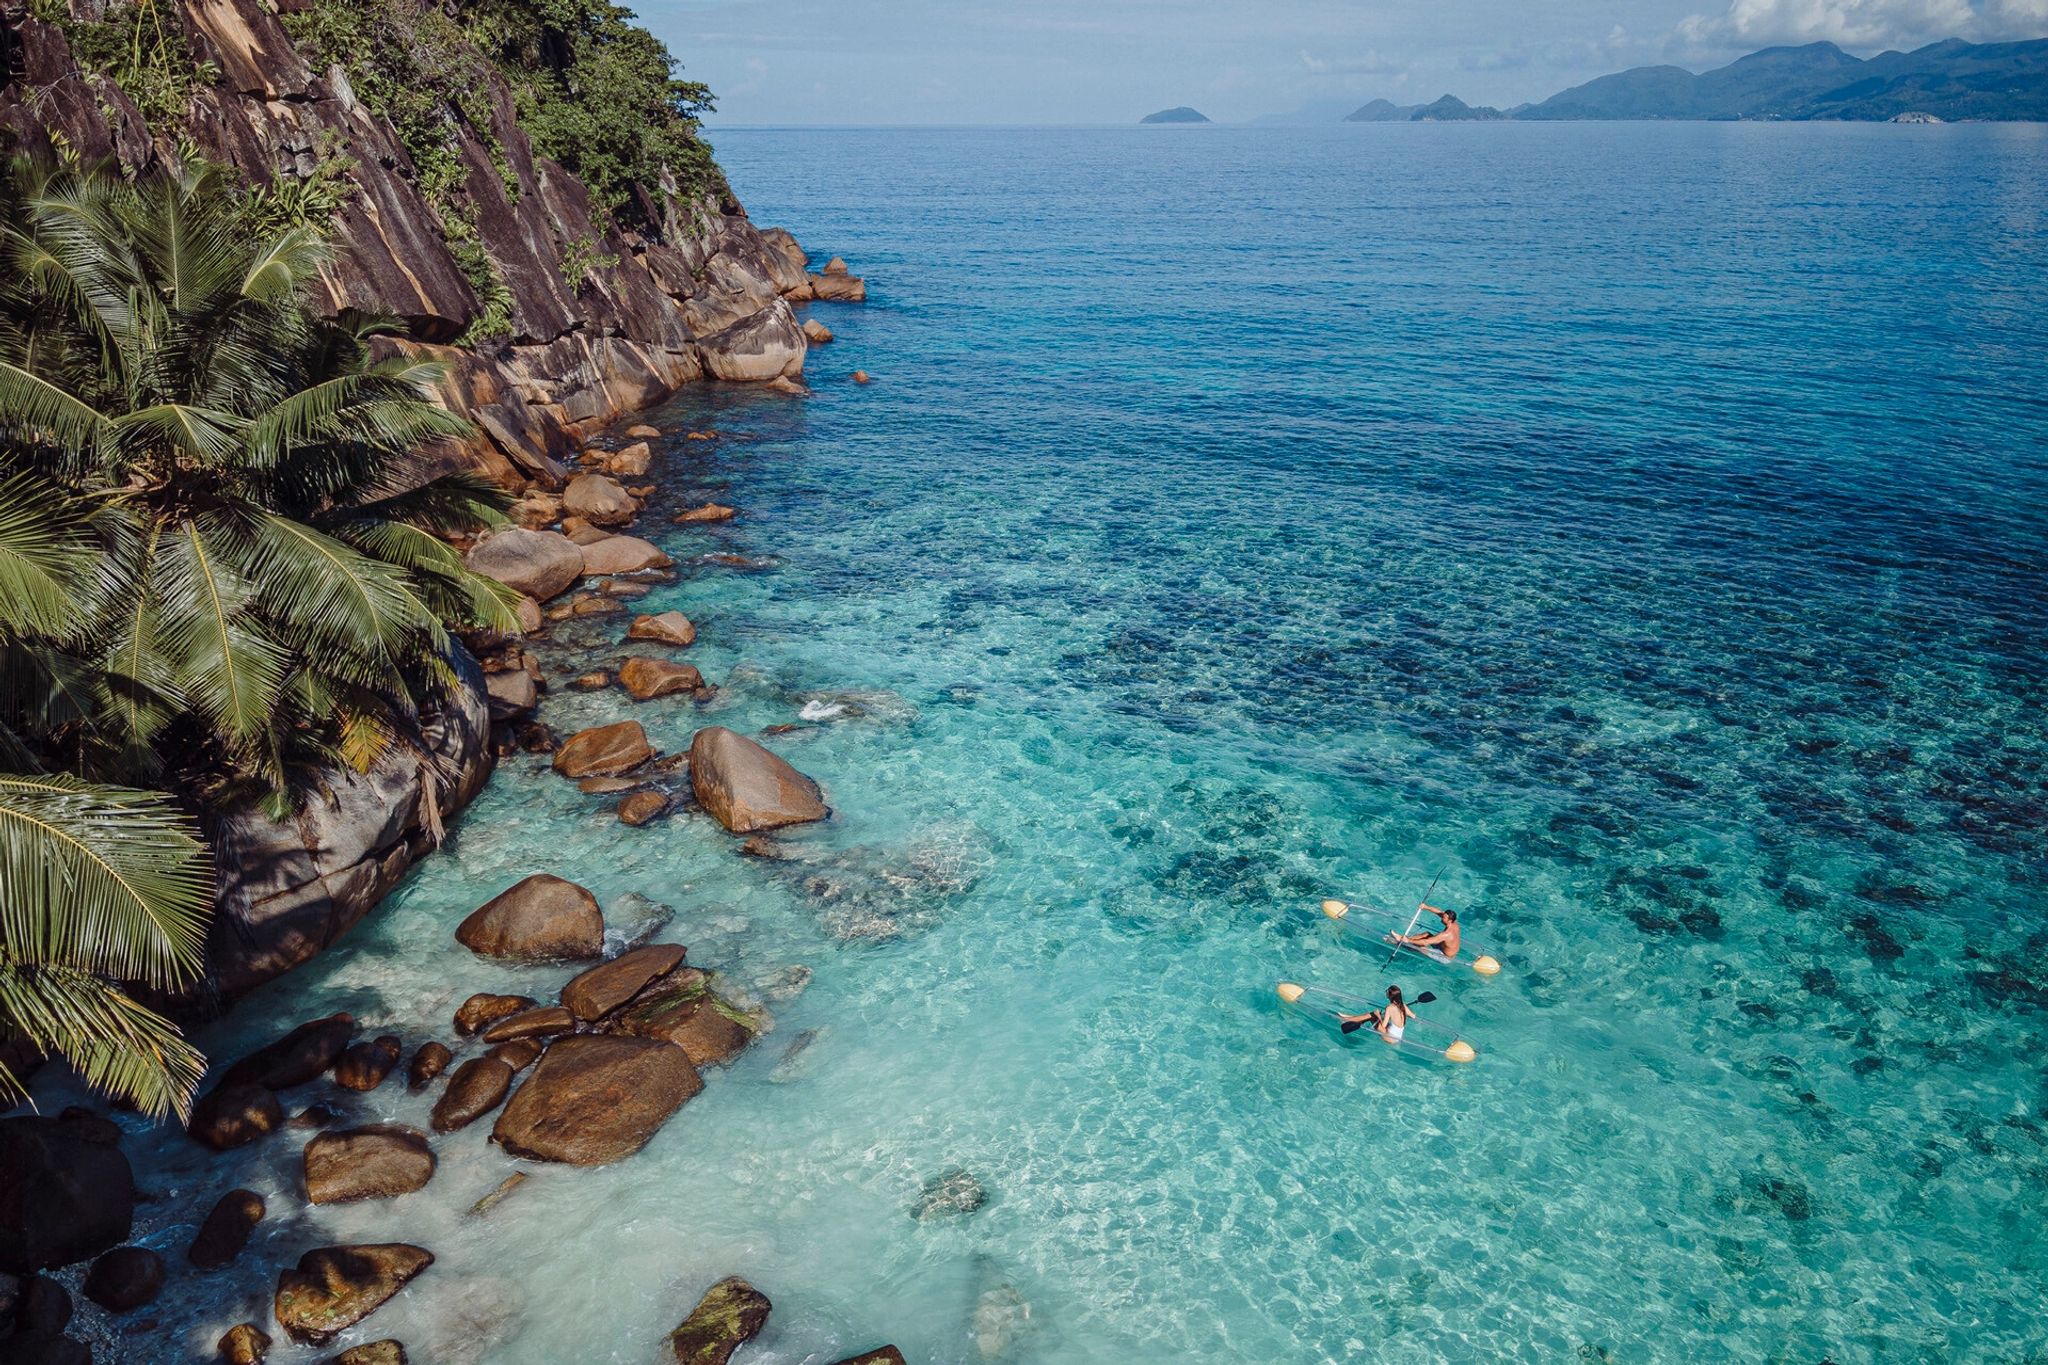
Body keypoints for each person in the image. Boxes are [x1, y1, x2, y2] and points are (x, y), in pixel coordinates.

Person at [1339, 985, 1414, 1043]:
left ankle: (1348, 1019)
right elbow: (1413, 1016)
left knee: (1373, 1015)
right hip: (1397, 1038)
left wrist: (1378, 1014)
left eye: (1387, 991)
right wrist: (1401, 1013)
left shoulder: (1389, 1008)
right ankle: (1353, 1019)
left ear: (1390, 995)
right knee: (1373, 1016)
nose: (1386, 992)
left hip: (1389, 1038)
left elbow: (1383, 1025)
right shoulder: (1403, 1005)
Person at [1393, 904, 1460, 960]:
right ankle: (1403, 938)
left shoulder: (1446, 934)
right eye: (1442, 916)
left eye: (1443, 917)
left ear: (1450, 920)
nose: (1441, 918)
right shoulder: (1454, 923)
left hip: (1444, 956)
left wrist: (1409, 941)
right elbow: (1439, 912)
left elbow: (1426, 942)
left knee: (1421, 948)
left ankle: (1400, 942)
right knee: (1427, 934)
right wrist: (1425, 907)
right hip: (1443, 946)